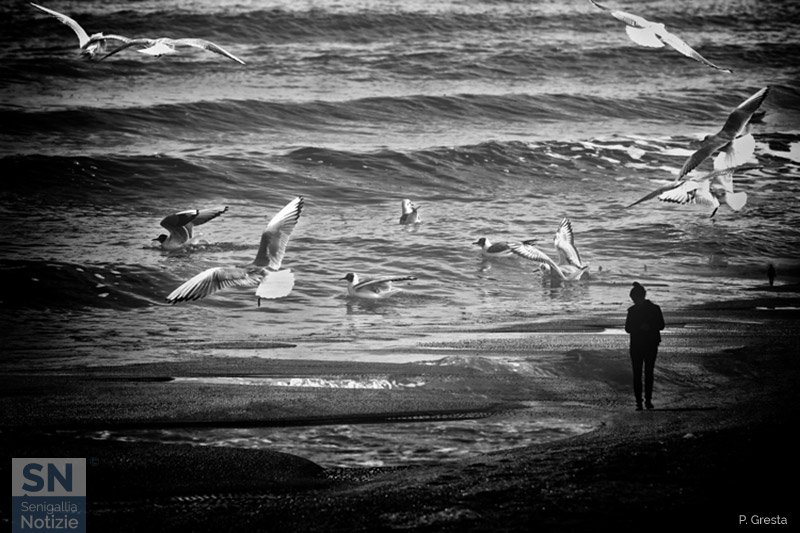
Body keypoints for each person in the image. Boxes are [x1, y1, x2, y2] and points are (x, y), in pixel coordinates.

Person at [625, 282, 665, 411]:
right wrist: (643, 327)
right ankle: (642, 401)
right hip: (645, 344)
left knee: (644, 373)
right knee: (643, 373)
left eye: (634, 299)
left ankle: (644, 401)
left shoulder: (651, 309)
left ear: (639, 296)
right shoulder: (653, 308)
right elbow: (627, 328)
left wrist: (647, 327)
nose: (633, 301)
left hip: (644, 344)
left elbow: (661, 325)